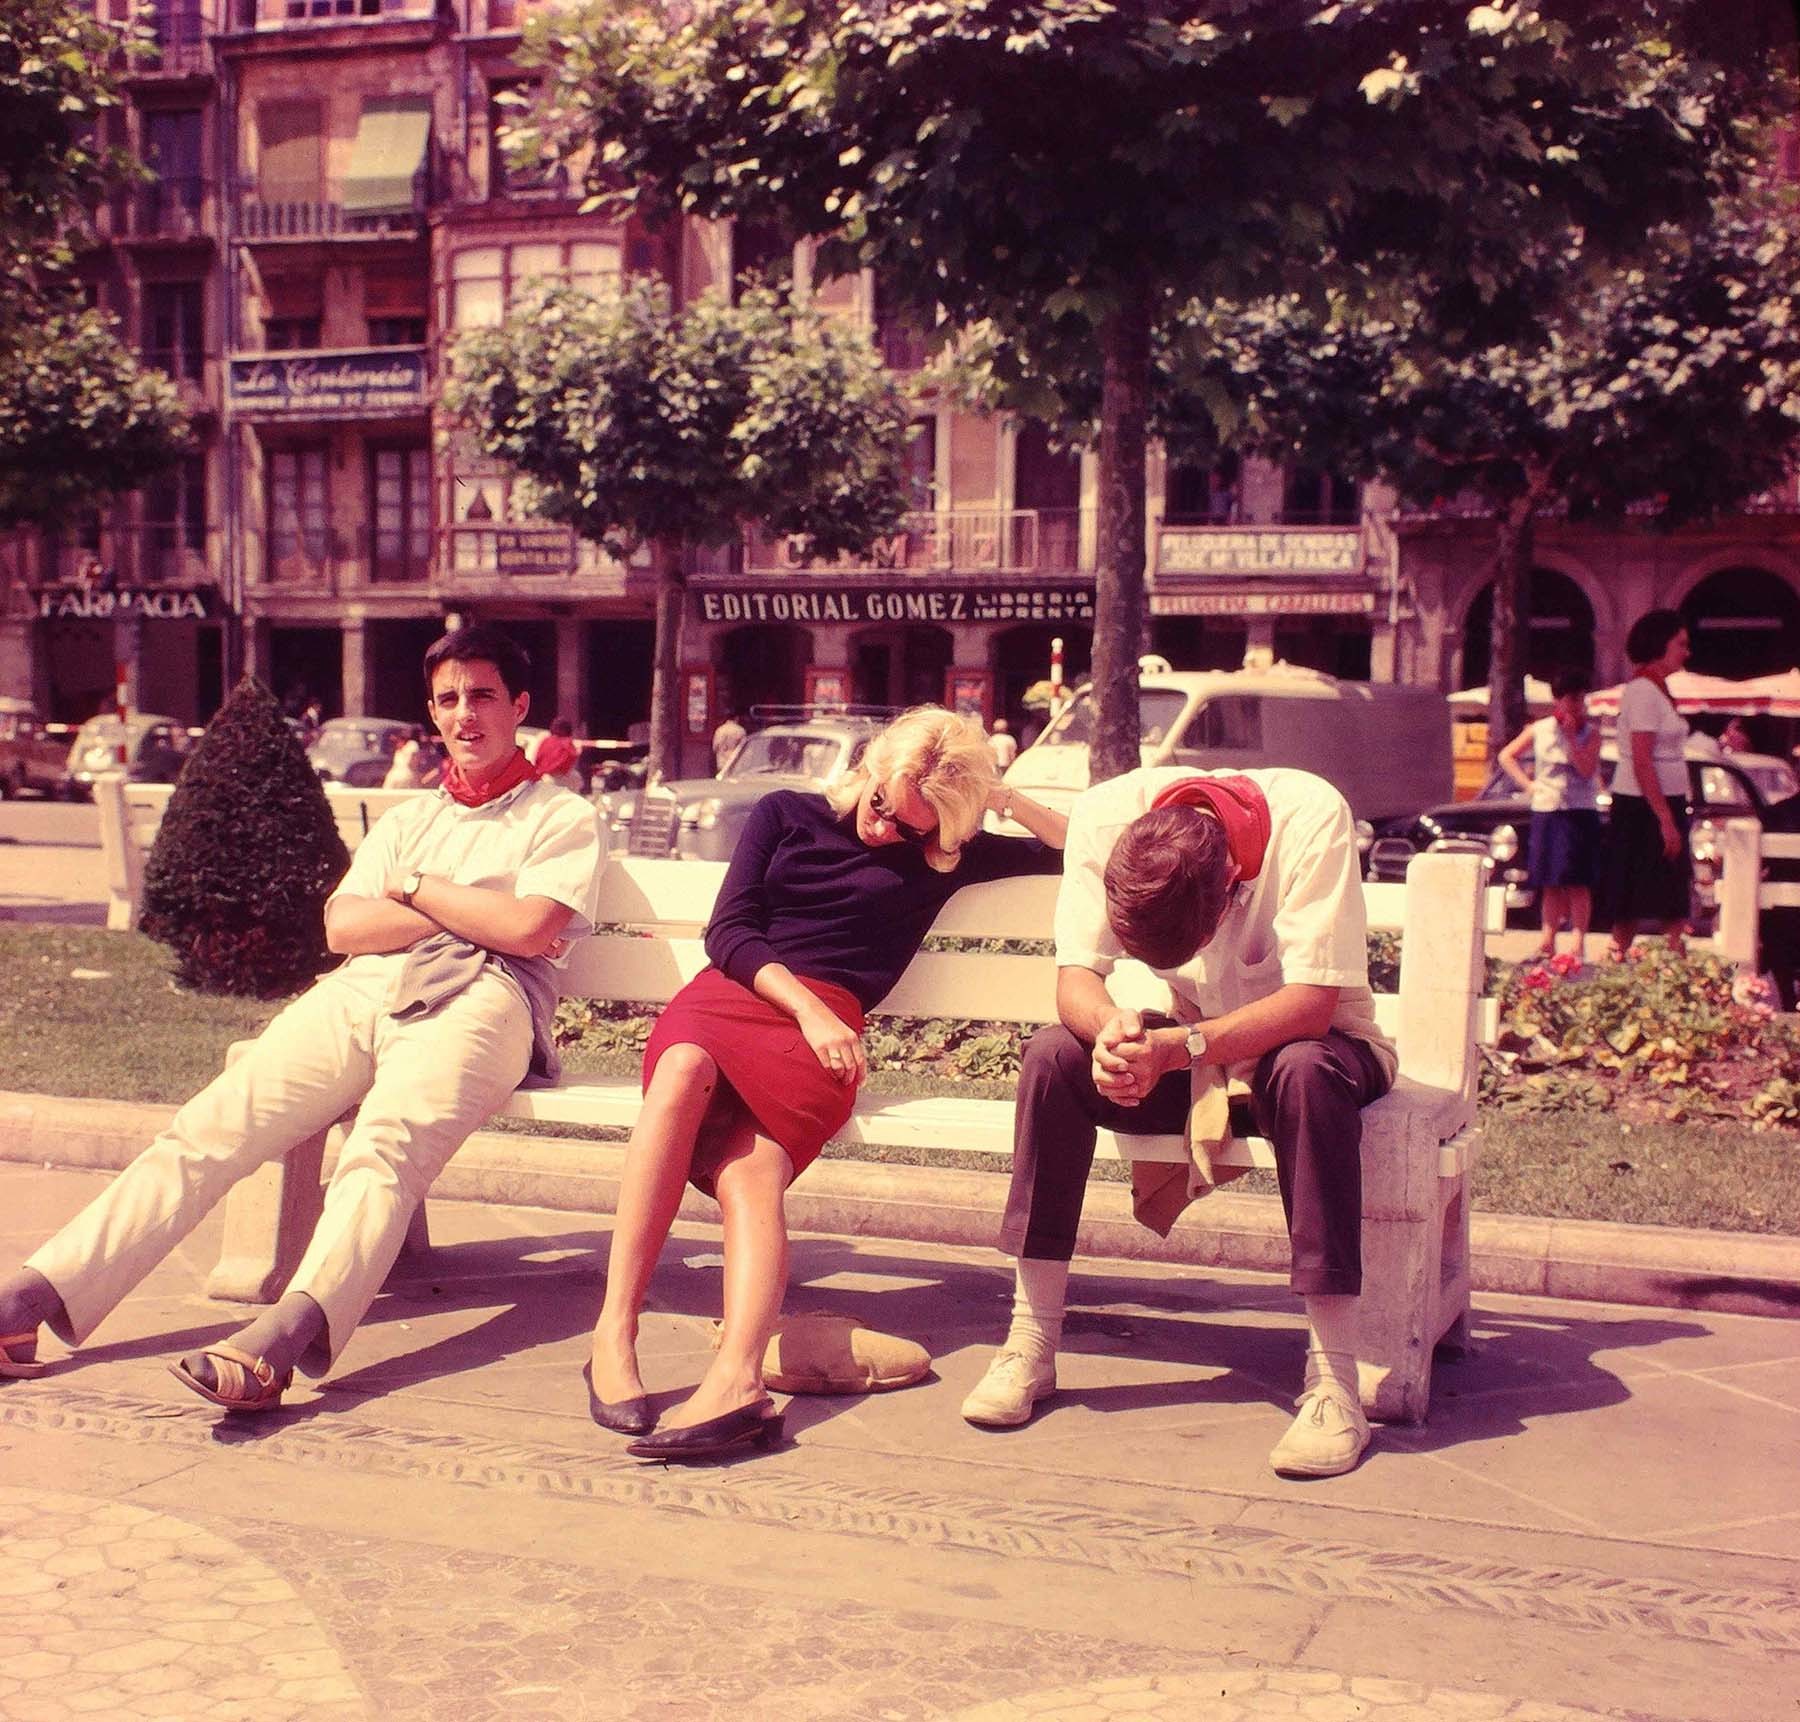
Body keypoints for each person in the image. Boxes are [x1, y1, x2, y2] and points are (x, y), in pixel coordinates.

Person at [0, 625, 603, 1410]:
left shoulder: (561, 817)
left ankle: (286, 1337)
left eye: (483, 695)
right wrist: (470, 907)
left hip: (487, 996)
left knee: (385, 1149)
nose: (464, 714)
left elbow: (525, 933)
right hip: (366, 988)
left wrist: (415, 890)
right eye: (448, 699)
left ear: (519, 705)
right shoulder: (408, 820)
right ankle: (33, 1298)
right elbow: (342, 930)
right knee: (211, 1126)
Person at [586, 707, 1068, 1460]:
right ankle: (614, 1332)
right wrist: (807, 1010)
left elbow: (1077, 849)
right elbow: (730, 931)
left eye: (909, 828)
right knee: (680, 1067)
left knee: (753, 1174)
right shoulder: (786, 814)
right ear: (871, 770)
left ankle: (737, 1383)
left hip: (827, 1028)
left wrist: (998, 797)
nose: (883, 830)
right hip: (742, 994)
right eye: (881, 802)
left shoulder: (949, 855)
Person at [960, 764, 1396, 1479]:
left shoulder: (1312, 815)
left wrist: (1181, 1047)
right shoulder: (1106, 816)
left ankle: (1334, 1384)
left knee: (1305, 1073)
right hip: (1191, 1052)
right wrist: (1111, 1036)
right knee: (1051, 1057)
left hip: (1323, 1051)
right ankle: (1030, 1343)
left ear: (1229, 884)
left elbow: (1314, 1003)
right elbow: (1077, 978)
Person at [1605, 610, 1693, 963]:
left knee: (1671, 893)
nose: (1688, 652)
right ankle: (1619, 960)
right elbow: (1642, 760)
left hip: (1662, 802)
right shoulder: (1642, 691)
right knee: (1631, 898)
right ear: (1660, 645)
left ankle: (1673, 963)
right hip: (1643, 806)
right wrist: (1665, 819)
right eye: (1681, 645)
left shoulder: (1658, 689)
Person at [1497, 669, 1602, 962]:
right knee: (1551, 879)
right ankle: (1547, 940)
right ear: (1558, 699)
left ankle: (1578, 943)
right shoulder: (1539, 729)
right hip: (1548, 809)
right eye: (1572, 698)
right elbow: (1506, 756)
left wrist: (1571, 738)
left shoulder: (1591, 733)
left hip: (1580, 811)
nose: (1577, 704)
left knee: (1577, 881)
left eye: (1581, 698)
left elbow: (1586, 770)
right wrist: (1529, 786)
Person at [534, 715, 583, 792]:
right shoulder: (567, 742)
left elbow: (537, 759)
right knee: (577, 780)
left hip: (544, 778)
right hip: (558, 778)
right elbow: (571, 757)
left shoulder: (546, 741)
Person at [382, 724, 437, 790]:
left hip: (401, 776)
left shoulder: (411, 746)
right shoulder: (408, 747)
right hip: (399, 776)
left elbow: (412, 763)